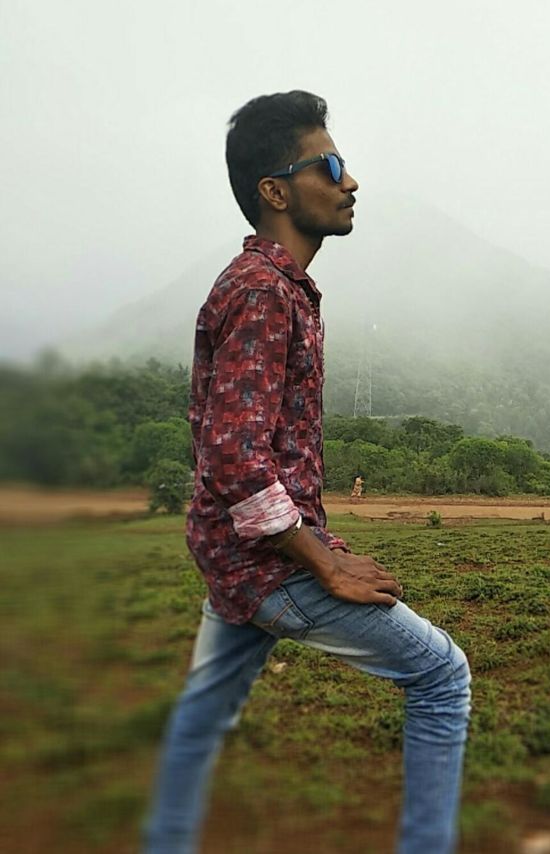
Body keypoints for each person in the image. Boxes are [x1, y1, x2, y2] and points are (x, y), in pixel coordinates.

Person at [143, 90, 471, 854]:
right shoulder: (263, 291)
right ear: (277, 191)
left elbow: (231, 444)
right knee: (441, 677)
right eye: (329, 165)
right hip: (266, 563)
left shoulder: (272, 286)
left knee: (205, 708)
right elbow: (234, 453)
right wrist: (323, 561)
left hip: (232, 554)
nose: (350, 181)